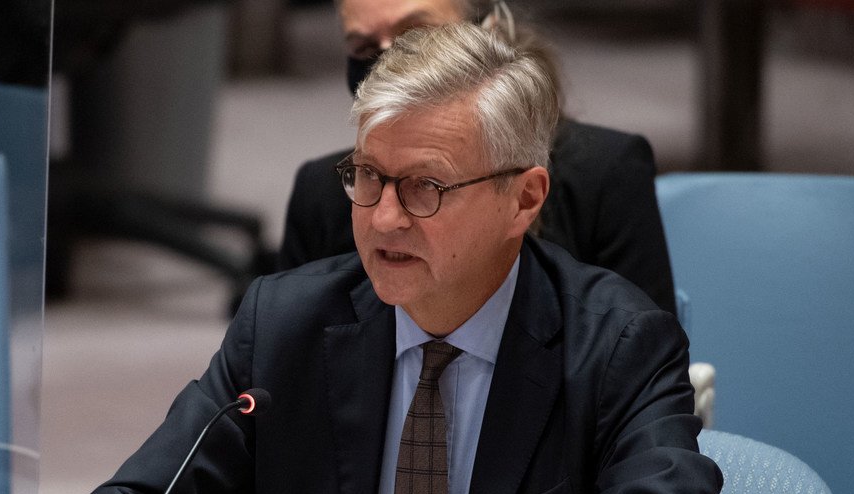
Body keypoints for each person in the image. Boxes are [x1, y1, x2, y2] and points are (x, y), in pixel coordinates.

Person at [65, 23, 721, 494]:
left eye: (425, 188)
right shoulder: (285, 324)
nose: (383, 220)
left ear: (524, 199)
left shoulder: (617, 349)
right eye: (369, 177)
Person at [278, 0, 678, 315]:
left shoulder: (606, 173)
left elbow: (637, 358)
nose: (388, 63)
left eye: (415, 35)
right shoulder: (321, 190)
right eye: (364, 47)